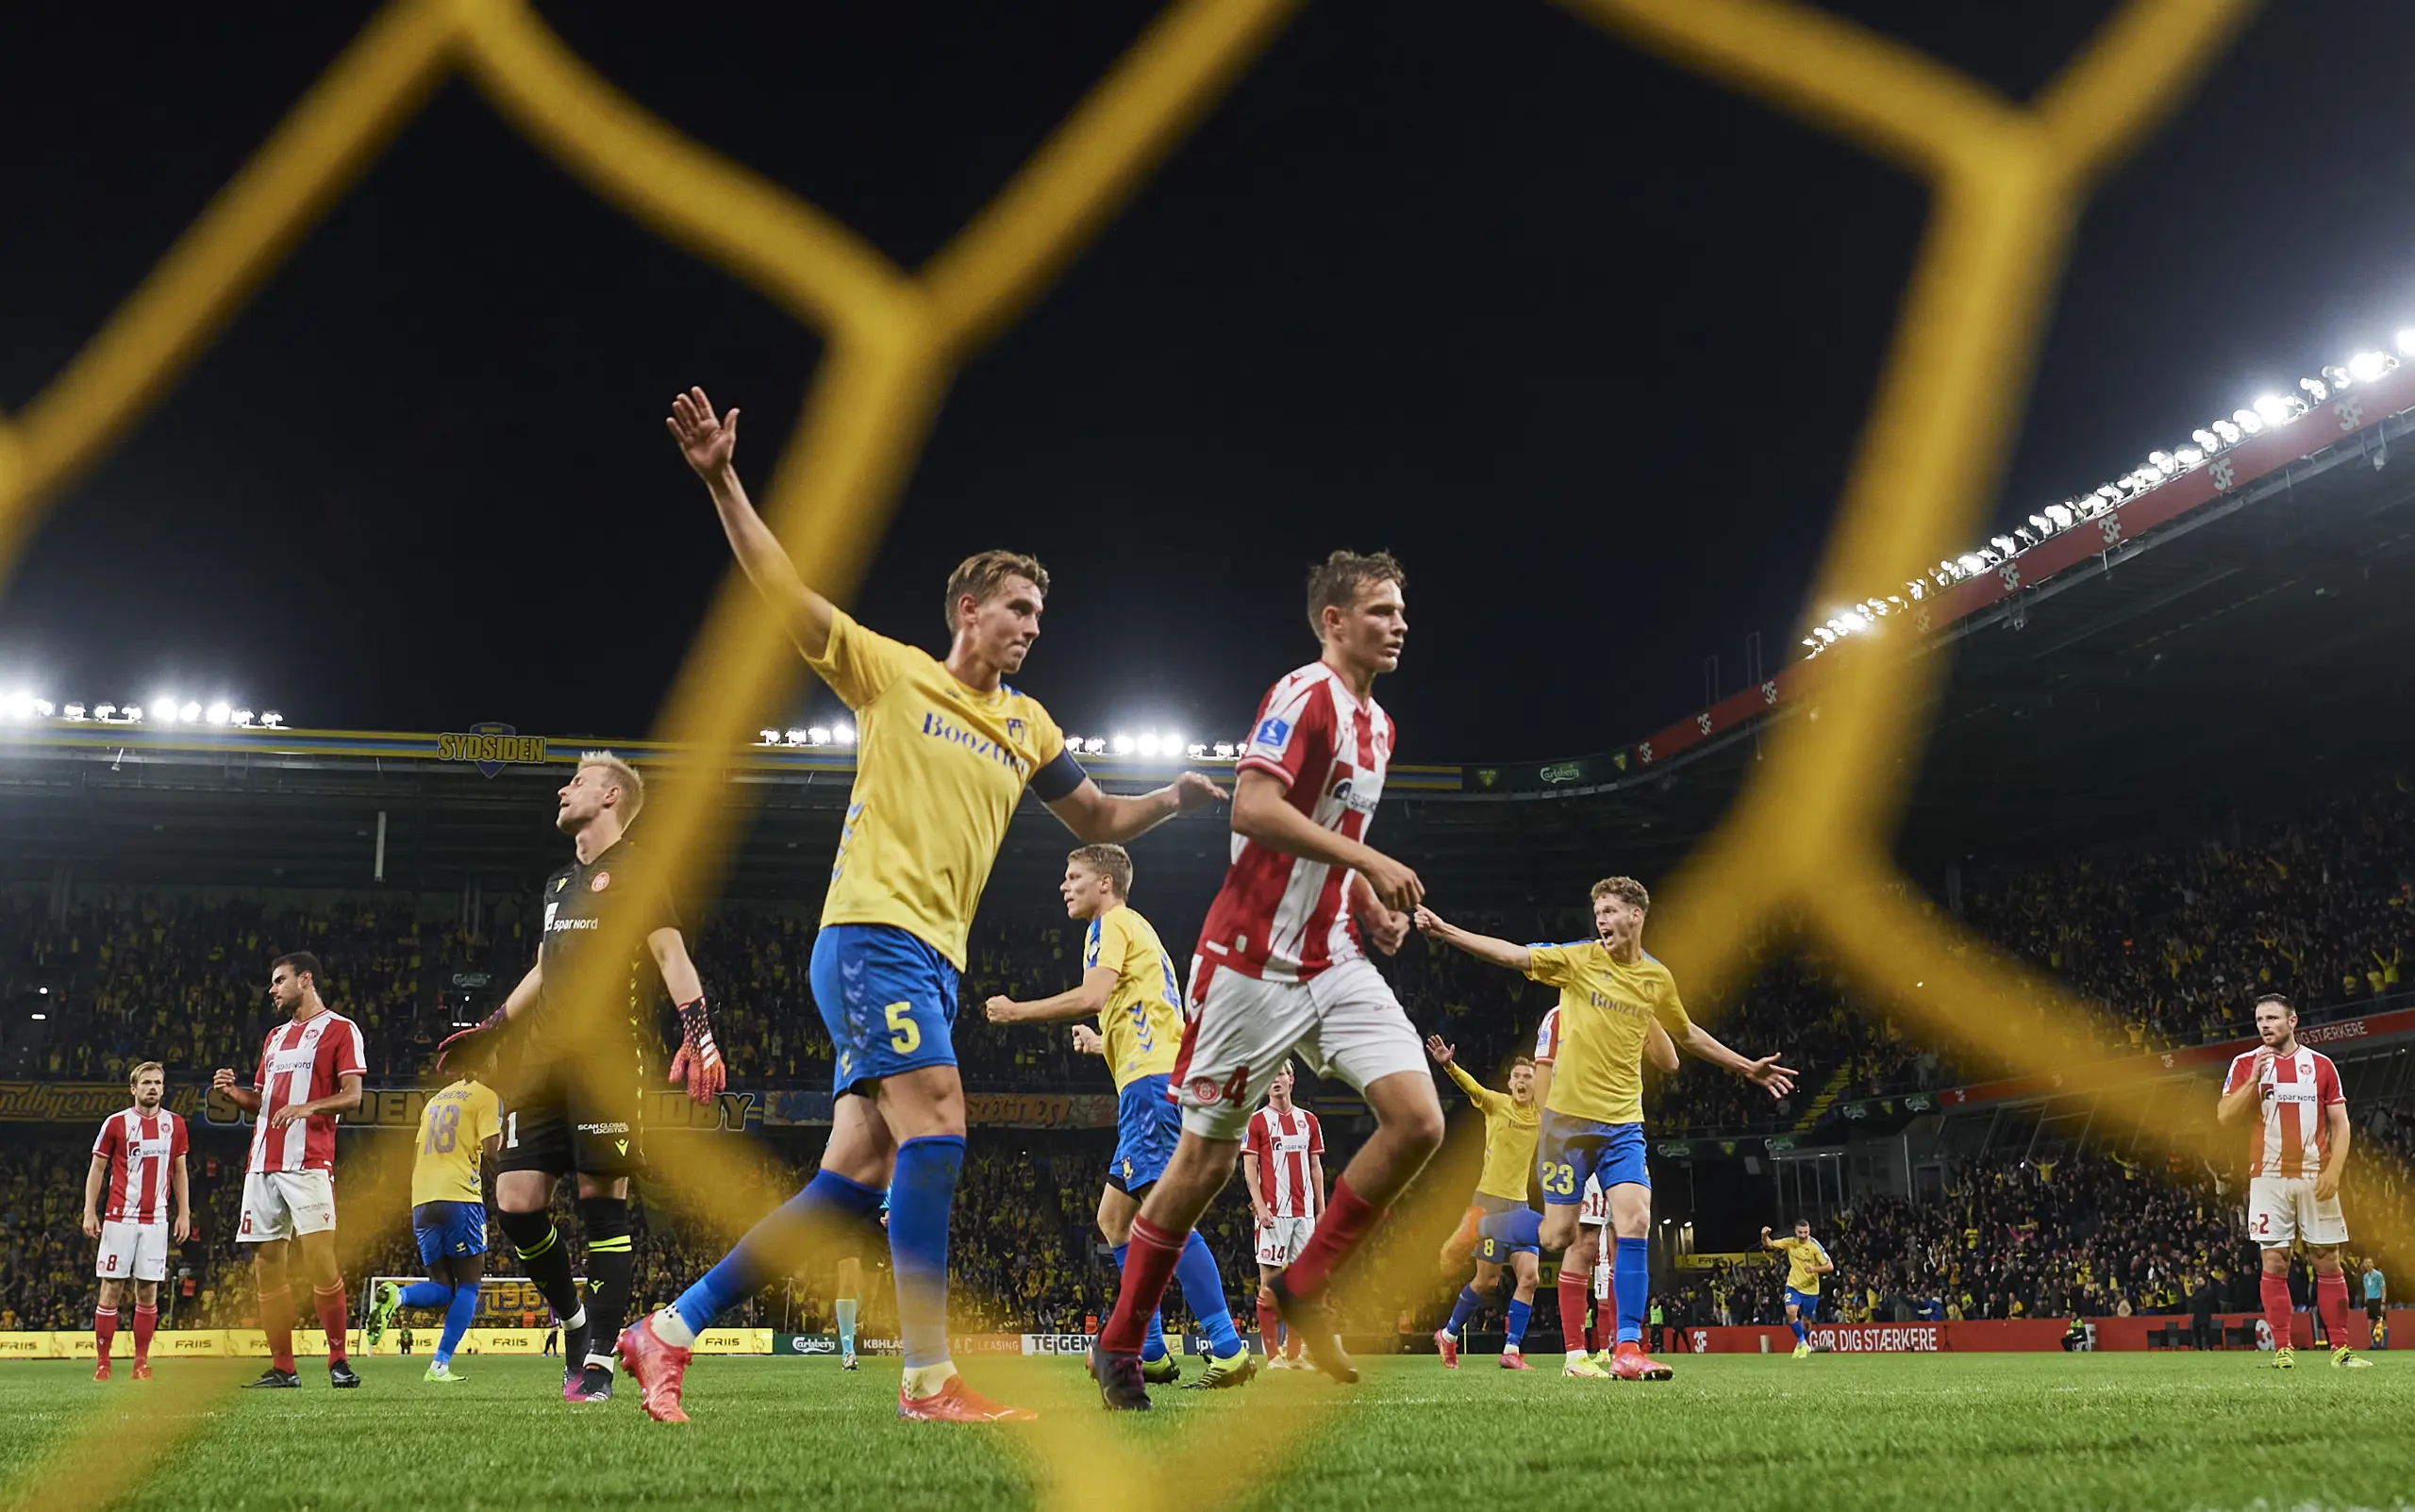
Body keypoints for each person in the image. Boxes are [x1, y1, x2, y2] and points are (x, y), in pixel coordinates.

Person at [621, 388, 1223, 1424]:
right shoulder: (893, 675)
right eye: (1017, 609)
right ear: (968, 611)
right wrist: (723, 481)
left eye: (1040, 615)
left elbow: (1097, 816)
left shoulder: (1030, 724)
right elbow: (783, 593)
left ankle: (667, 1330)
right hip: (871, 937)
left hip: (933, 962)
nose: (1032, 627)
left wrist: (1170, 797)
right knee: (940, 1120)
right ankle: (928, 1378)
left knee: (853, 1177)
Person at [1090, 551, 1436, 1411]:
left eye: (1402, 610)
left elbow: (1336, 835)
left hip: (1333, 957)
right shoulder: (1302, 694)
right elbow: (1253, 806)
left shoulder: (1380, 727)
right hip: (1248, 963)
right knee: (1203, 1162)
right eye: (1381, 610)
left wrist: (1367, 902)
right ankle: (1121, 1343)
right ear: (1334, 621)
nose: (1398, 623)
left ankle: (1307, 1283)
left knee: (1419, 1120)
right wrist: (1369, 862)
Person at [1417, 879, 1795, 1381]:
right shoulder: (1577, 959)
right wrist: (1446, 931)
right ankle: (1484, 1227)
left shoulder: (1655, 978)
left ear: (1637, 915)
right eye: (1597, 911)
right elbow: (1513, 955)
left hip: (1623, 1125)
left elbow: (1685, 1036)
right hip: (1567, 1128)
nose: (1601, 919)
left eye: (1610, 910)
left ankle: (1628, 1349)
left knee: (1635, 1220)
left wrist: (1747, 1067)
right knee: (1560, 1235)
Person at [435, 752, 724, 1403]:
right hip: (540, 1065)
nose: (563, 790)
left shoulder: (640, 869)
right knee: (515, 1202)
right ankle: (572, 1318)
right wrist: (492, 1028)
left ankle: (597, 1361)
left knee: (601, 1203)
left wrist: (699, 1031)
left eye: (578, 781)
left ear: (612, 796)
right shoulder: (558, 884)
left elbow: (670, 953)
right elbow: (545, 968)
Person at [988, 843, 1254, 1388]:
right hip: (1149, 1083)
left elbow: (1094, 995)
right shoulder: (1136, 929)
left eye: (1074, 876)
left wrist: (1017, 1012)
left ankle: (1228, 1349)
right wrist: (1101, 1041)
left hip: (1151, 1089)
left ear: (1105, 883)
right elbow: (1144, 1010)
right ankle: (1150, 1351)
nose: (1064, 886)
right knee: (1114, 1219)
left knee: (1167, 1219)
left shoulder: (1109, 925)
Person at [212, 952, 367, 1389]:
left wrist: (307, 1107)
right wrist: (234, 1093)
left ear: (305, 979)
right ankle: (284, 1368)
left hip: (308, 1162)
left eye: (279, 980)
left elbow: (353, 1095)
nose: (272, 989)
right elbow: (262, 1102)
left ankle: (338, 1361)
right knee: (267, 1268)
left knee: (320, 1261)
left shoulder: (340, 1029)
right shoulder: (274, 1037)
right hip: (262, 1164)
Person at [2217, 992, 2369, 1370]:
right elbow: (2224, 1117)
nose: (2264, 1026)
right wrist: (2253, 1081)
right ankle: (2283, 1348)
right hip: (2267, 1177)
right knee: (2274, 1259)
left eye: (2272, 1018)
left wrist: (2334, 1172)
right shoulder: (2245, 1063)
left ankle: (2340, 1350)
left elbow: (2340, 1124)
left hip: (2315, 1175)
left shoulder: (2321, 1066)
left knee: (2327, 1259)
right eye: (2259, 1020)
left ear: (2292, 1021)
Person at [1545, 1006, 1678, 1380]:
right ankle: (1575, 1355)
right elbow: (1545, 1078)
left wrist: (1647, 1009)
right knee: (1583, 1241)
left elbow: (1670, 1059)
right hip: (1578, 1137)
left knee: (1631, 1229)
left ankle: (1627, 1347)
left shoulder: (1628, 1010)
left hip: (1621, 1134)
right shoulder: (1560, 1015)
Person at [367, 1073, 504, 1382]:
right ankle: (439, 1365)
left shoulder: (434, 1102)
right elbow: (493, 1150)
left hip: (422, 1198)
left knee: (443, 1288)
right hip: (459, 1196)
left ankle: (398, 1297)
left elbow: (416, 1157)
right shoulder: (486, 1095)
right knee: (469, 1285)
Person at [1425, 1038, 1541, 1371]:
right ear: (1510, 1083)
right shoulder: (1496, 1104)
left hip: (1519, 1206)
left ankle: (1511, 1350)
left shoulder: (1541, 1115)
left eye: (1528, 1077)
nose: (1522, 1081)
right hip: (1489, 1204)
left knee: (1530, 1277)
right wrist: (1449, 1065)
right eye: (1517, 1076)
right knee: (1486, 1281)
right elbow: (1472, 1087)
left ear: (1536, 1084)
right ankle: (1448, 1335)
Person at [83, 1061, 191, 1381]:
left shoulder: (175, 1124)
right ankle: (103, 1363)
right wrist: (89, 1211)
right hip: (120, 1219)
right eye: (146, 1083)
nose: (152, 1087)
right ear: (133, 1088)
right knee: (111, 1289)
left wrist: (184, 1213)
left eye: (157, 1082)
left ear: (163, 1088)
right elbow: (97, 1168)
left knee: (148, 1291)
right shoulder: (116, 1123)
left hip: (156, 1220)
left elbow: (180, 1170)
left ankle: (140, 1364)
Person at [1241, 1063, 1325, 1370]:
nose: (1276, 1080)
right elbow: (1249, 1169)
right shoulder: (1257, 1121)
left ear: (1291, 1079)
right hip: (1273, 1215)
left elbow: (1315, 1167)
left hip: (1304, 1216)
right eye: (1270, 1075)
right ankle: (1273, 1357)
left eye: (1281, 1074)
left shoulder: (1309, 1121)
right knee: (1270, 1286)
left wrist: (1321, 1209)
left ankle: (1294, 1356)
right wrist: (1260, 1206)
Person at [1761, 1220, 1833, 1358]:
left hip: (1811, 1289)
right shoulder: (1790, 1242)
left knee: (1806, 1322)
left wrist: (1814, 1269)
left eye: (1806, 1232)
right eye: (1800, 1232)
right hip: (1793, 1286)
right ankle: (1803, 1343)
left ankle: (1801, 1345)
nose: (1803, 1235)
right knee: (1791, 1312)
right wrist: (1764, 1235)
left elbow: (1830, 1266)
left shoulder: (1814, 1246)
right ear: (1796, 1232)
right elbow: (1769, 1244)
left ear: (1809, 1231)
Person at [2190, 1272, 2219, 1352]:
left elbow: (2207, 1298)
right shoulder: (2196, 1291)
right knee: (2196, 1330)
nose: (2198, 1282)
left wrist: (2199, 1300)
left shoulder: (2208, 1290)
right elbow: (2193, 1299)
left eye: (2200, 1281)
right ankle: (2199, 1347)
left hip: (2205, 1312)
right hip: (2197, 1313)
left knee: (2207, 1331)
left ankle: (2209, 1347)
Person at [2363, 1259, 2387, 1349]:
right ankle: (2374, 1345)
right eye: (2366, 1263)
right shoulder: (2365, 1276)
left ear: (2373, 1264)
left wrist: (2383, 1303)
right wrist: (2365, 1304)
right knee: (2371, 1323)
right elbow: (2366, 1290)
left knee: (2382, 1322)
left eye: (2369, 1262)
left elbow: (2383, 1289)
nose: (2368, 1264)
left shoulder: (2378, 1275)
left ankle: (2384, 1345)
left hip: (2378, 1300)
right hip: (2370, 1301)